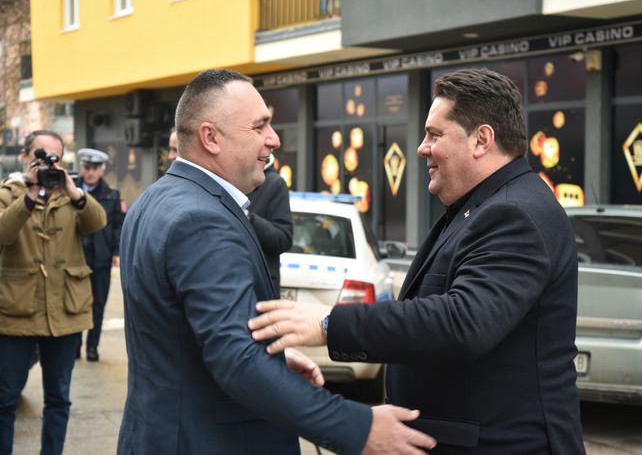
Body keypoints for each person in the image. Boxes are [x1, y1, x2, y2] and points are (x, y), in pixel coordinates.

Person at [249, 68, 586, 454]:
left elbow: (462, 323)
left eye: (434, 135)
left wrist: (329, 324)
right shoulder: (482, 206)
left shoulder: (514, 213)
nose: (422, 148)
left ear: (482, 140)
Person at [117, 69, 435, 455]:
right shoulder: (202, 219)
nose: (274, 139)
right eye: (259, 126)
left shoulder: (155, 199)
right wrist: (358, 427)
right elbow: (236, 360)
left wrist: (276, 361)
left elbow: (186, 338)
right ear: (210, 138)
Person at [0, 130, 107, 455]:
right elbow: (3, 233)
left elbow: (98, 223)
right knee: (5, 399)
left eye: (54, 158)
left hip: (65, 311)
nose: (48, 164)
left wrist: (74, 192)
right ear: (25, 157)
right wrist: (30, 195)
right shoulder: (8, 192)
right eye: (41, 156)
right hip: (17, 311)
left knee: (59, 398)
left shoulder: (69, 194)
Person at [75, 148, 125, 362]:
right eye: (87, 167)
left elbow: (118, 225)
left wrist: (116, 251)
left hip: (100, 258)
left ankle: (92, 347)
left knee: (98, 305)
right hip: (75, 257)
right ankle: (74, 347)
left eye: (95, 168)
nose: (90, 172)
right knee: (75, 304)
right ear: (82, 168)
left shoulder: (111, 195)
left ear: (102, 171)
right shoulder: (71, 190)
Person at [246, 153, 293, 297]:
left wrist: (247, 217)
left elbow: (283, 238)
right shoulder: (230, 178)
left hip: (260, 288)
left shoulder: (274, 184)